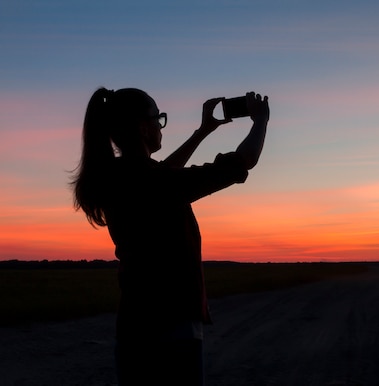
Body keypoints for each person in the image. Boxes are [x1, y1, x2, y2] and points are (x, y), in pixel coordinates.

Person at [71, 88, 269, 385]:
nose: (161, 125)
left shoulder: (121, 176)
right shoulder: (153, 182)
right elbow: (241, 162)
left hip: (134, 328)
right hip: (171, 330)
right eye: (158, 118)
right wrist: (261, 121)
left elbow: (162, 175)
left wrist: (201, 133)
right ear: (142, 128)